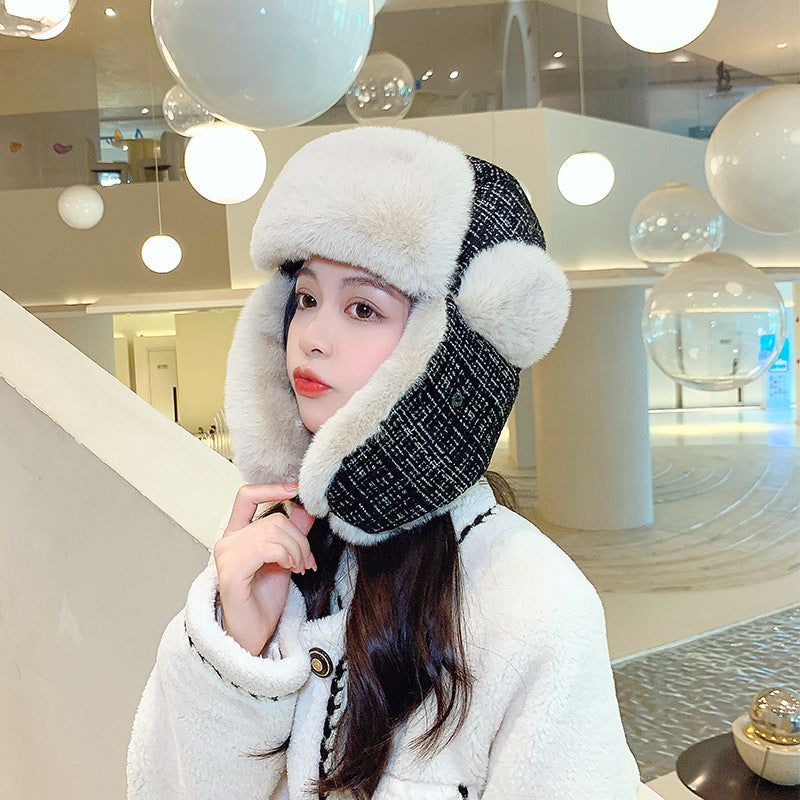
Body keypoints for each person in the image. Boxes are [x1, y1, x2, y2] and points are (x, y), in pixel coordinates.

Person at [127, 127, 641, 800]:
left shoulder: (534, 601)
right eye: (306, 297)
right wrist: (238, 656)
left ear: (447, 354)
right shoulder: (280, 557)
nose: (311, 335)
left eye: (363, 307)